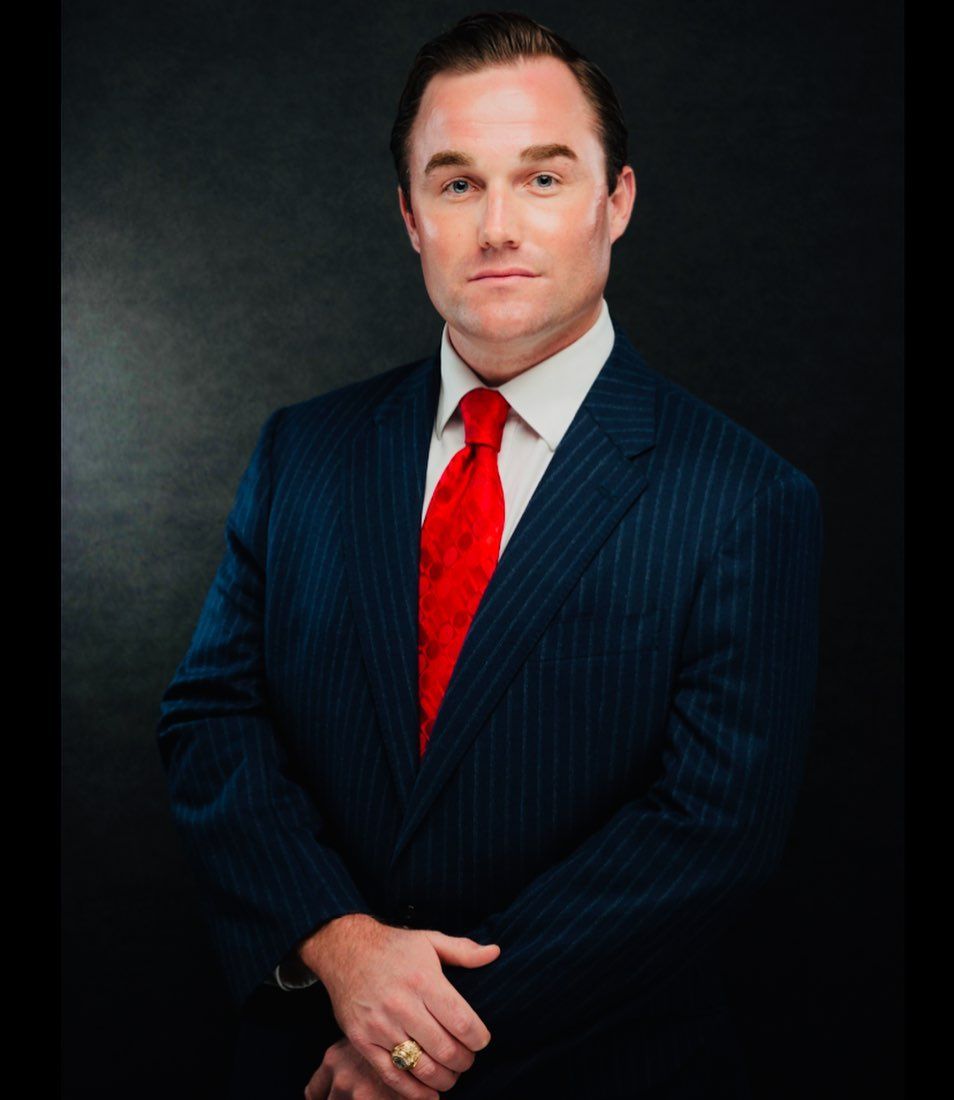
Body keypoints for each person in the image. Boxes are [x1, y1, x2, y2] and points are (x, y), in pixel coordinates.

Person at [157, 11, 823, 1100]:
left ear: (618, 202)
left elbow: (708, 833)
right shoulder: (303, 451)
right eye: (457, 183)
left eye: (544, 178)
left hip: (589, 1067)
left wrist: (414, 1039)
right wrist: (340, 943)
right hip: (308, 1061)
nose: (498, 224)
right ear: (411, 216)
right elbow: (211, 716)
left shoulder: (745, 497)